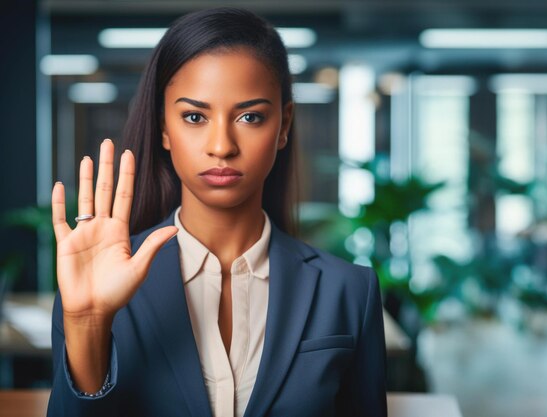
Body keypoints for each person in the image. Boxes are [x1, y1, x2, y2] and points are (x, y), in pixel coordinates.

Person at [47, 7, 387, 417]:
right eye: (194, 116)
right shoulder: (101, 283)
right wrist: (87, 322)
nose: (222, 146)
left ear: (283, 125)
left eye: (250, 116)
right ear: (164, 129)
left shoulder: (349, 291)